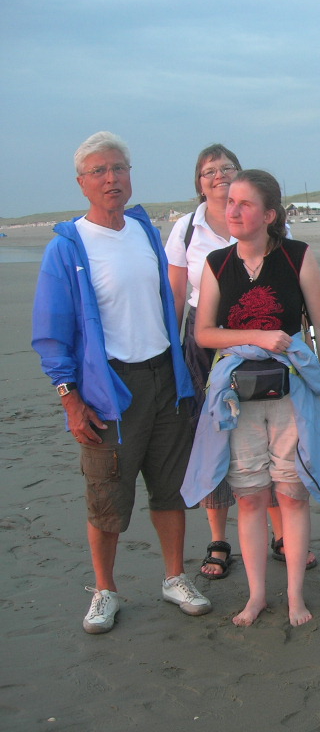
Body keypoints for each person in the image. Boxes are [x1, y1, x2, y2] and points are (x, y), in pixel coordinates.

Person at [32, 131, 211, 634]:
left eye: (118, 168)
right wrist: (70, 399)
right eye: (99, 171)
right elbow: (51, 334)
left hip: (164, 380)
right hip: (111, 389)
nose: (111, 179)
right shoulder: (68, 248)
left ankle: (174, 577)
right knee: (106, 493)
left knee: (170, 489)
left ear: (130, 175)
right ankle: (105, 590)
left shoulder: (144, 230)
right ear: (82, 183)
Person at [184, 169, 320, 626]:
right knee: (251, 498)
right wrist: (257, 334)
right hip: (238, 399)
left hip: (293, 392)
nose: (232, 210)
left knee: (291, 495)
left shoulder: (297, 256)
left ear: (269, 215)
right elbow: (204, 333)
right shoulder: (216, 263)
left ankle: (295, 597)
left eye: (244, 203)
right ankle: (256, 597)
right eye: (229, 202)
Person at [166, 144, 317, 579]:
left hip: (275, 355)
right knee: (215, 444)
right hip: (211, 348)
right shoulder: (189, 232)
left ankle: (281, 533)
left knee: (275, 461)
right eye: (208, 172)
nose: (217, 178)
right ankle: (219, 539)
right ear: (198, 182)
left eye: (225, 169)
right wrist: (175, 355)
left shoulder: (277, 242)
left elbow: (313, 319)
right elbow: (180, 298)